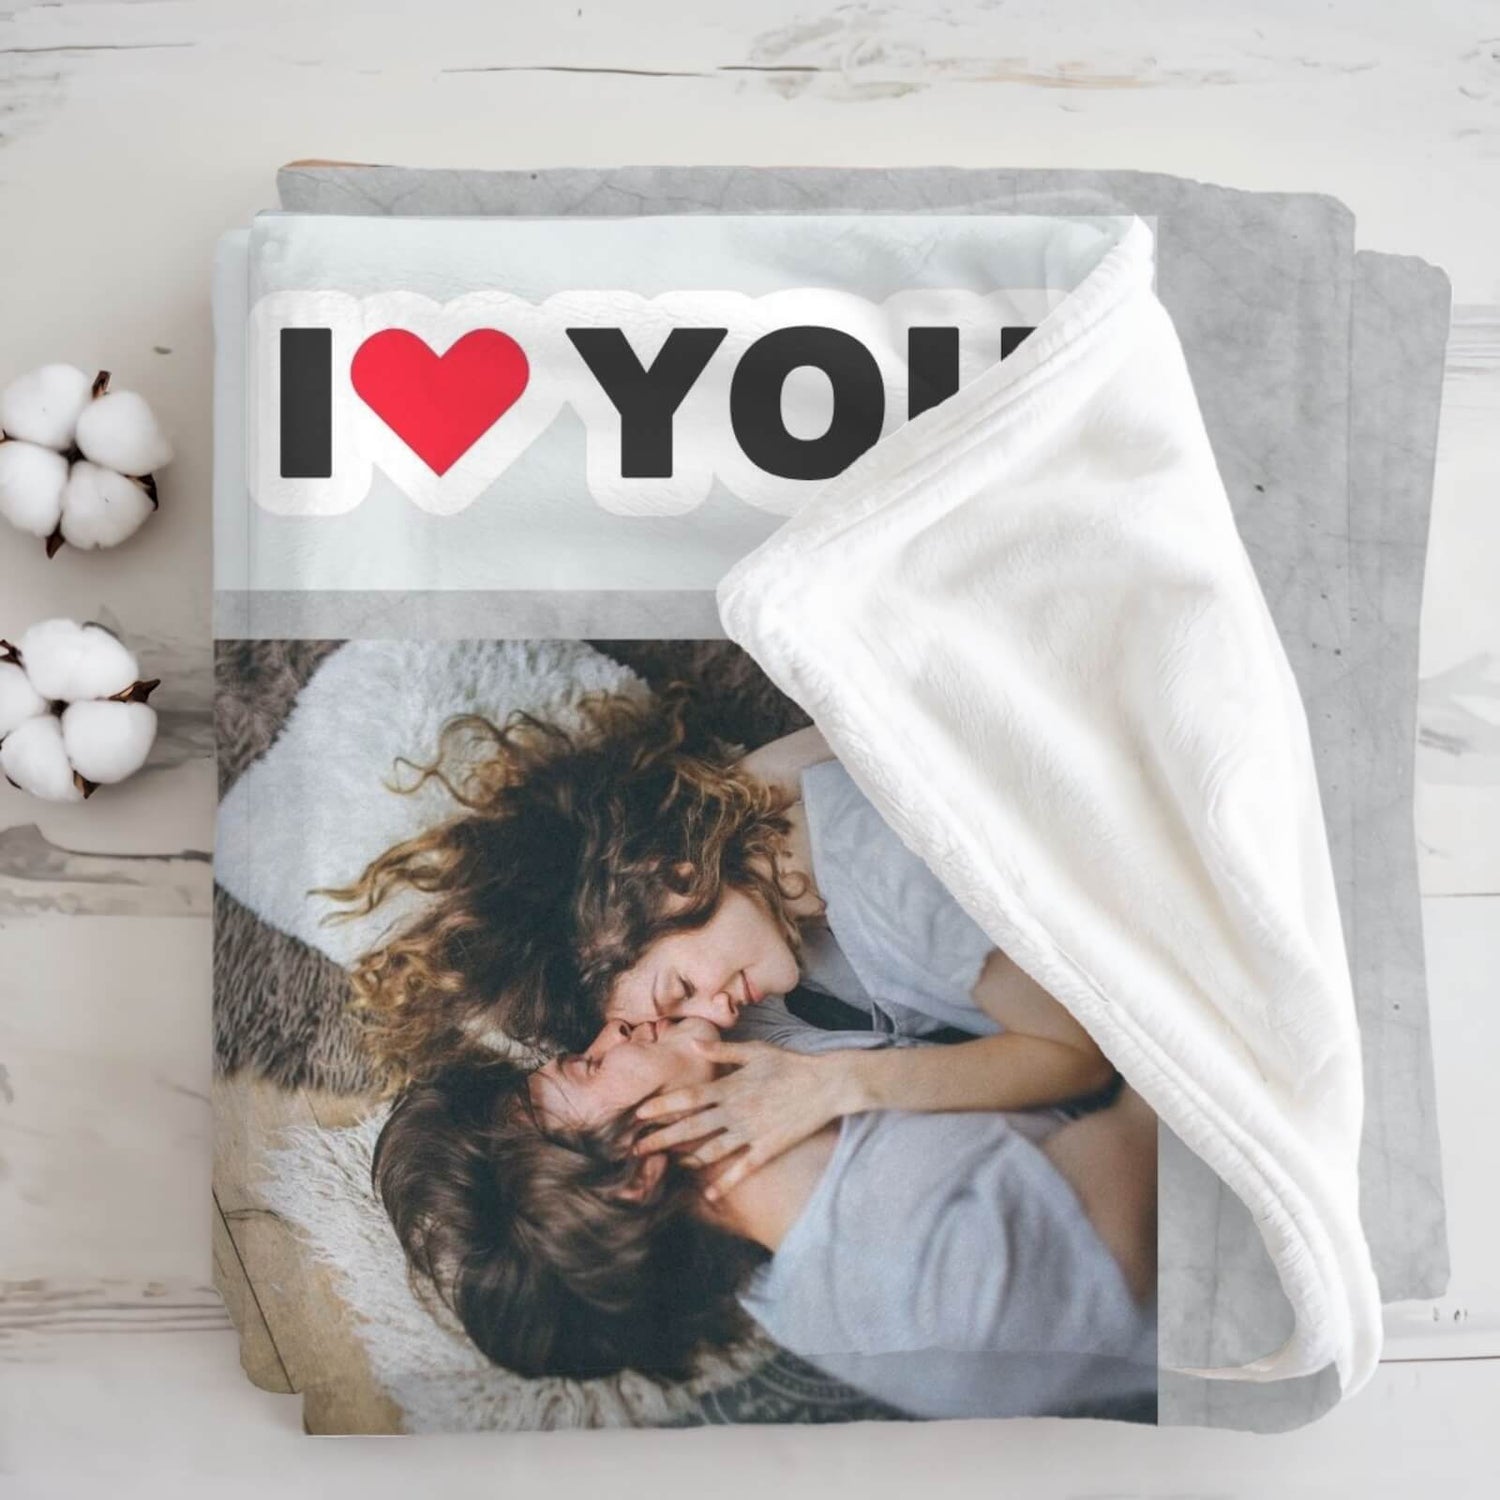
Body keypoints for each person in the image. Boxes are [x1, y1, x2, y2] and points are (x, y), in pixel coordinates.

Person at [329, 692, 1116, 1203]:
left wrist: (842, 1087)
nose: (709, 1017)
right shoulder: (768, 913)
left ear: (671, 878)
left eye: (677, 993)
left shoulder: (880, 866)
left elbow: (1078, 1053)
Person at [373, 1000, 1157, 1419]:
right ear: (633, 1176)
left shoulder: (751, 1106)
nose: (607, 1029)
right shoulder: (932, 1277)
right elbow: (1187, 1108)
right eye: (584, 1065)